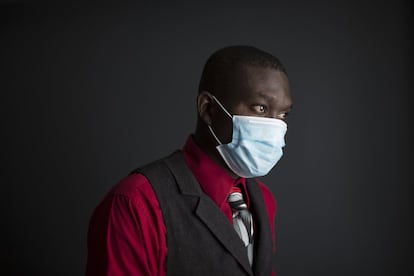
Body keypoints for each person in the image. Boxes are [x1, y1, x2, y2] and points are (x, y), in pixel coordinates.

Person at [86, 45, 293, 276]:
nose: (276, 126)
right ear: (209, 109)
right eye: (261, 108)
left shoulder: (263, 199)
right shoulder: (136, 203)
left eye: (284, 114)